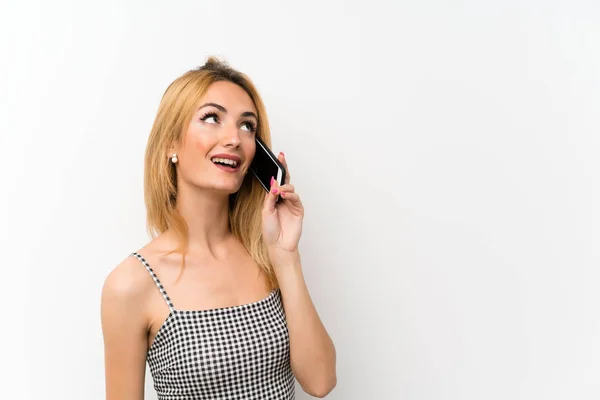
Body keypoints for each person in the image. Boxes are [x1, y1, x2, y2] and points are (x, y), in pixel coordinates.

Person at [100, 57, 337, 400]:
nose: (234, 138)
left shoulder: (266, 255)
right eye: (212, 118)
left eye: (247, 126)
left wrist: (286, 256)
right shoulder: (132, 285)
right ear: (171, 144)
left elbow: (321, 381)